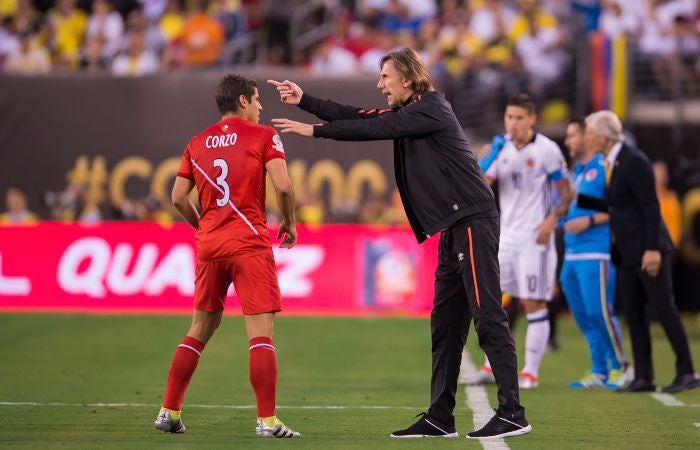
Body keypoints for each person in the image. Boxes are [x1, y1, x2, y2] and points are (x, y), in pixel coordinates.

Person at [269, 47, 531, 440]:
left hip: (473, 219)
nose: (380, 86)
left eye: (385, 78)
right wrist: (306, 101)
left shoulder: (431, 108)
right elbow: (360, 116)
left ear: (407, 79)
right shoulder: (411, 111)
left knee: (487, 313)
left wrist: (316, 130)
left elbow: (373, 129)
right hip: (453, 224)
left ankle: (512, 411)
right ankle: (440, 417)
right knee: (445, 325)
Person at [153, 74, 301, 438]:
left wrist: (202, 227)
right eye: (257, 99)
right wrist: (290, 223)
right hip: (249, 242)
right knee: (260, 333)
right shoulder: (264, 136)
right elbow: (283, 185)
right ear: (243, 101)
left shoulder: (196, 142)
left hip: (210, 245)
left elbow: (176, 197)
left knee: (199, 328)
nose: (262, 107)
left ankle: (168, 411)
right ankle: (267, 420)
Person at [585, 110, 699, 393]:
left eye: (588, 132)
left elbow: (651, 206)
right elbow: (619, 205)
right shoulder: (612, 161)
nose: (587, 138)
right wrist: (578, 198)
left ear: (602, 136)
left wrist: (652, 249)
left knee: (664, 309)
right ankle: (644, 376)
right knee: (634, 313)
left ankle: (687, 371)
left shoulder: (634, 160)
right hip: (626, 252)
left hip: (647, 250)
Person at [470, 94, 574, 389]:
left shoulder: (547, 151)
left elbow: (567, 192)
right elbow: (478, 184)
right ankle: (492, 366)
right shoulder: (502, 148)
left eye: (518, 118)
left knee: (533, 303)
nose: (512, 123)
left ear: (532, 119)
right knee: (493, 302)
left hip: (535, 239)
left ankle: (530, 371)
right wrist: (485, 159)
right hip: (506, 237)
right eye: (509, 117)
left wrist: (552, 221)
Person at [559, 117, 630, 389]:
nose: (569, 141)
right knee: (583, 314)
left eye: (573, 135)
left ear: (587, 138)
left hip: (595, 252)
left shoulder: (604, 168)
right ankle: (599, 369)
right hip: (572, 253)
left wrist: (588, 222)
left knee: (600, 311)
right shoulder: (578, 171)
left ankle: (622, 367)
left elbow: (619, 209)